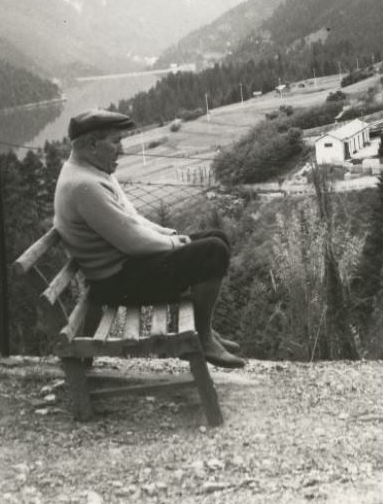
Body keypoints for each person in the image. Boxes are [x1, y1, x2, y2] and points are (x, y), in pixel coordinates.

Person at [53, 109, 245, 368]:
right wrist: (177, 244)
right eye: (116, 141)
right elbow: (133, 241)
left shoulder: (91, 173)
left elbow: (131, 219)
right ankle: (204, 338)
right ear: (92, 144)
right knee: (213, 251)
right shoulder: (85, 186)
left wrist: (170, 235)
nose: (122, 150)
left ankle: (205, 329)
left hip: (120, 273)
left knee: (215, 237)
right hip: (116, 283)